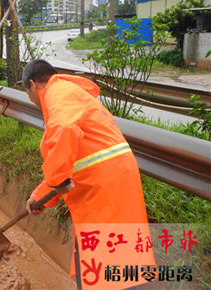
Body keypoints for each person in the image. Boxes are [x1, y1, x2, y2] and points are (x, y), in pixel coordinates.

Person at [22, 60, 155, 289]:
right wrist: (41, 195)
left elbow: (64, 132)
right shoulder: (68, 92)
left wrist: (56, 184)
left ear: (33, 84)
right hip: (114, 176)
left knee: (98, 261)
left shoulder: (57, 93)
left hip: (103, 183)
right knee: (122, 251)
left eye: (27, 93)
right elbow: (67, 157)